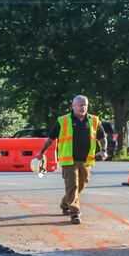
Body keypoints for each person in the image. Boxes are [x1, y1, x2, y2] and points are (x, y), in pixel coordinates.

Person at [37, 95, 107, 224]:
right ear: (73, 106)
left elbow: (102, 137)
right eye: (80, 104)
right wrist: (41, 152)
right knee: (72, 185)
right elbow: (50, 138)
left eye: (85, 104)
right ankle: (74, 213)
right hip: (69, 160)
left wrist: (104, 150)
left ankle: (65, 203)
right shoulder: (62, 121)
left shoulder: (94, 120)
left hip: (86, 160)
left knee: (81, 184)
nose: (83, 107)